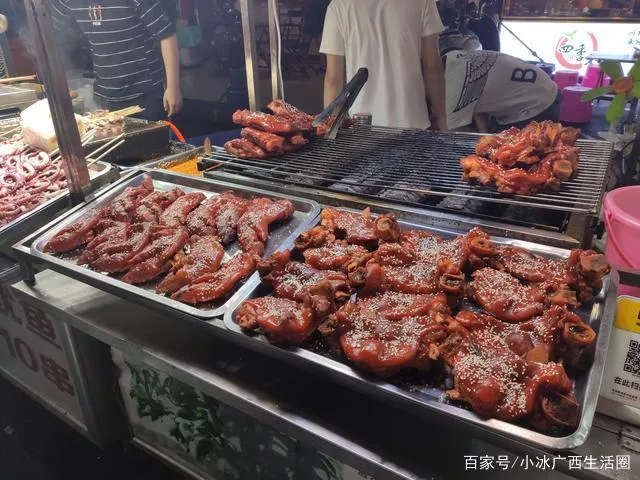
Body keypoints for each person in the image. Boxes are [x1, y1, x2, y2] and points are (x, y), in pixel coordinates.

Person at [319, 0, 447, 130]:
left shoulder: (339, 6)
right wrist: (443, 123)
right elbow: (432, 67)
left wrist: (330, 129)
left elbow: (334, 80)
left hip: (362, 126)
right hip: (411, 121)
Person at [50, 0, 183, 120]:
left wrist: (173, 87)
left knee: (154, 139)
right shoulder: (67, 2)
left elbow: (167, 36)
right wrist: (59, 84)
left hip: (145, 96)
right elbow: (54, 37)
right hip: (103, 98)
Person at [443, 49, 560, 132]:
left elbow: (453, 133)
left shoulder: (454, 84)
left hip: (536, 102)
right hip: (541, 87)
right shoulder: (451, 59)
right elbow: (479, 100)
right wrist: (483, 134)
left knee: (521, 154)